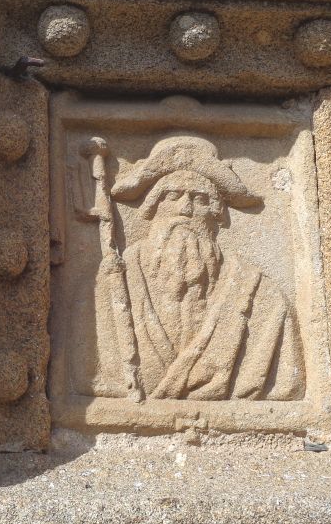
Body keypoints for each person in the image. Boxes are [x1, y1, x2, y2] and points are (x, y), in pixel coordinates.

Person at [108, 135, 305, 401]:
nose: (185, 209)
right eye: (173, 196)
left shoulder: (260, 295)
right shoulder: (115, 281)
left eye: (199, 199)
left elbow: (285, 386)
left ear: (216, 213)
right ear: (153, 207)